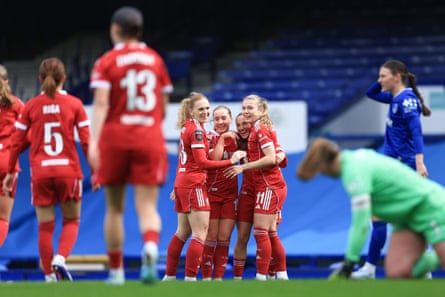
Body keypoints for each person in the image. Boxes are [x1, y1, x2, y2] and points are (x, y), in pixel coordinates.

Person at [88, 6, 173, 285]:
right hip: (148, 137)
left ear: (115, 29)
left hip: (115, 137)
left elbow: (101, 104)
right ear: (140, 30)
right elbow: (163, 106)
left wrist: (94, 141)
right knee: (148, 206)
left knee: (115, 208)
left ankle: (116, 272)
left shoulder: (106, 61)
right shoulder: (155, 60)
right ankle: (149, 247)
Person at [296, 137, 445, 279]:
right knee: (398, 271)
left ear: (323, 165)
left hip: (429, 207)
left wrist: (349, 262)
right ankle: (434, 258)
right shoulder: (353, 161)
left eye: (320, 170)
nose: (322, 174)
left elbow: (360, 224)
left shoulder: (353, 171)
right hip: (407, 218)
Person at [2, 57, 92, 282]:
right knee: (70, 221)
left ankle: (50, 275)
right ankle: (59, 260)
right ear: (64, 78)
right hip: (67, 170)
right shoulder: (74, 104)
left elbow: (19, 140)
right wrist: (97, 172)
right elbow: (87, 141)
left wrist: (11, 170)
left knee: (44, 226)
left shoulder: (32, 105)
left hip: (41, 172)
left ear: (40, 79)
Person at [352, 59, 431, 279]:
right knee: (378, 216)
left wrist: (419, 162)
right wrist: (385, 81)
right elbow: (371, 93)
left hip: (404, 167)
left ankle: (419, 267)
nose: (379, 80)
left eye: (383, 76)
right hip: (390, 167)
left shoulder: (406, 101)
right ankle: (370, 268)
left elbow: (416, 132)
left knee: (409, 218)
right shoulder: (395, 98)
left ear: (397, 77)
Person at [162, 92, 245, 281]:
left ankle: (169, 276)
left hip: (184, 183)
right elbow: (202, 163)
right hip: (195, 183)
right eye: (202, 109)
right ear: (191, 111)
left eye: (207, 108)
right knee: (200, 234)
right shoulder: (198, 131)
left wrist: (177, 184)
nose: (206, 112)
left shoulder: (187, 127)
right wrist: (230, 161)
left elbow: (184, 161)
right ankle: (191, 279)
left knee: (182, 232)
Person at [224, 94, 288, 281]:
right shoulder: (250, 134)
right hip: (251, 190)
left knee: (264, 232)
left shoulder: (261, 129)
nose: (245, 114)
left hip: (268, 186)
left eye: (249, 108)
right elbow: (275, 153)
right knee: (248, 235)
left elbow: (273, 158)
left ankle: (267, 275)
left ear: (261, 111)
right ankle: (245, 278)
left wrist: (242, 166)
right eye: (243, 109)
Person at [201, 105, 239, 280]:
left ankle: (219, 279)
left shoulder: (239, 138)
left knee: (224, 237)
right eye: (217, 119)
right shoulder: (208, 137)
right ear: (212, 121)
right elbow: (214, 159)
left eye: (224, 118)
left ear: (230, 118)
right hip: (212, 193)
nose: (221, 122)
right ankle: (207, 278)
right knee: (211, 236)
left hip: (230, 195)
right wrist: (223, 138)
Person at [0, 64, 25, 247]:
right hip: (7, 161)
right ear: (6, 82)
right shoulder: (17, 105)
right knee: (2, 219)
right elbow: (28, 135)